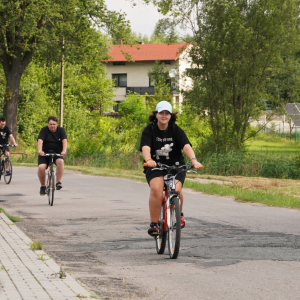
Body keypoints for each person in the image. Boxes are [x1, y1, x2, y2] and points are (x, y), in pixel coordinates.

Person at [140, 101, 203, 236]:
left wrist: (194, 160)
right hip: (156, 166)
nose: (164, 116)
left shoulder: (176, 129)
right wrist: (149, 160)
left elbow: (186, 146)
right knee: (156, 189)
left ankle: (179, 214)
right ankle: (154, 224)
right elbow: (146, 148)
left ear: (170, 115)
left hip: (176, 166)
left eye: (167, 113)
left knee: (176, 190)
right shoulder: (149, 130)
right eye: (161, 113)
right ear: (156, 114)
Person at [37, 115, 67, 196]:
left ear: (57, 124)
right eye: (50, 124)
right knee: (41, 168)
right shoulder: (43, 130)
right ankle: (43, 186)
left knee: (60, 162)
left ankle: (58, 182)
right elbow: (40, 141)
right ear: (48, 124)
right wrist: (40, 151)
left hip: (57, 153)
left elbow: (64, 141)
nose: (52, 126)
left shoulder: (61, 130)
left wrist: (64, 151)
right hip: (45, 154)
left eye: (54, 124)